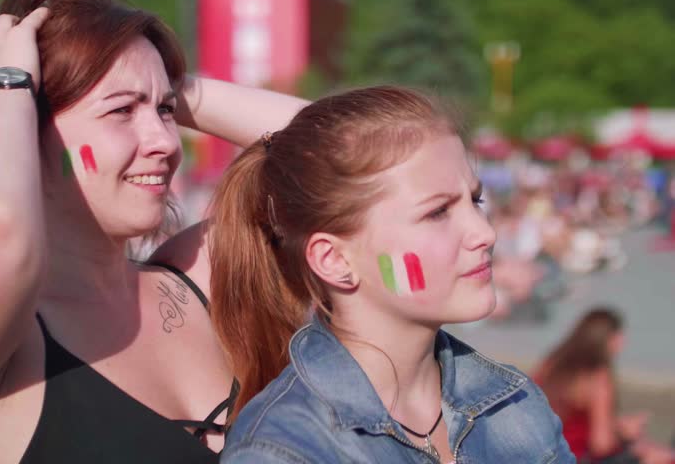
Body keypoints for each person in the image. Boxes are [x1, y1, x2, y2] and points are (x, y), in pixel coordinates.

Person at [0, 0, 307, 462]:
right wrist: (7, 84)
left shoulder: (193, 273)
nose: (164, 140)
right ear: (28, 131)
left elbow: (338, 159)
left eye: (164, 112)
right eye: (121, 110)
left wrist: (160, 80)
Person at [208, 87, 575, 463]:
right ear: (334, 259)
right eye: (437, 213)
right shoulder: (286, 450)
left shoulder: (512, 404)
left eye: (475, 200)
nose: (485, 233)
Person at [535, 308, 675, 464]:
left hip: (540, 454)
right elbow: (601, 445)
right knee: (661, 457)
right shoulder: (597, 376)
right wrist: (623, 432)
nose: (623, 343)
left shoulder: (552, 365)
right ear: (607, 339)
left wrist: (615, 425)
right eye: (619, 336)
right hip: (574, 457)